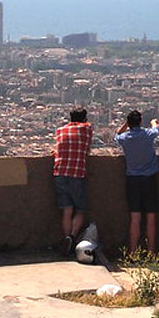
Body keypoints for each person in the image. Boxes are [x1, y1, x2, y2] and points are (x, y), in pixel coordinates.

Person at [114, 110, 159, 252]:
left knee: (135, 218)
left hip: (133, 180)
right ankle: (152, 252)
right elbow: (156, 129)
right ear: (140, 122)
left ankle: (133, 252)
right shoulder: (148, 135)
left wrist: (126, 125)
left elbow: (116, 134)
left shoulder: (125, 138)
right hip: (149, 179)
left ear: (129, 123)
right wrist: (153, 122)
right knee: (151, 217)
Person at [53, 107, 93, 255]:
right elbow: (87, 149)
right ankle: (72, 236)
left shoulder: (60, 131)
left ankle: (66, 237)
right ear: (84, 119)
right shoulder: (87, 129)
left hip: (59, 173)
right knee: (80, 210)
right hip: (76, 173)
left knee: (67, 210)